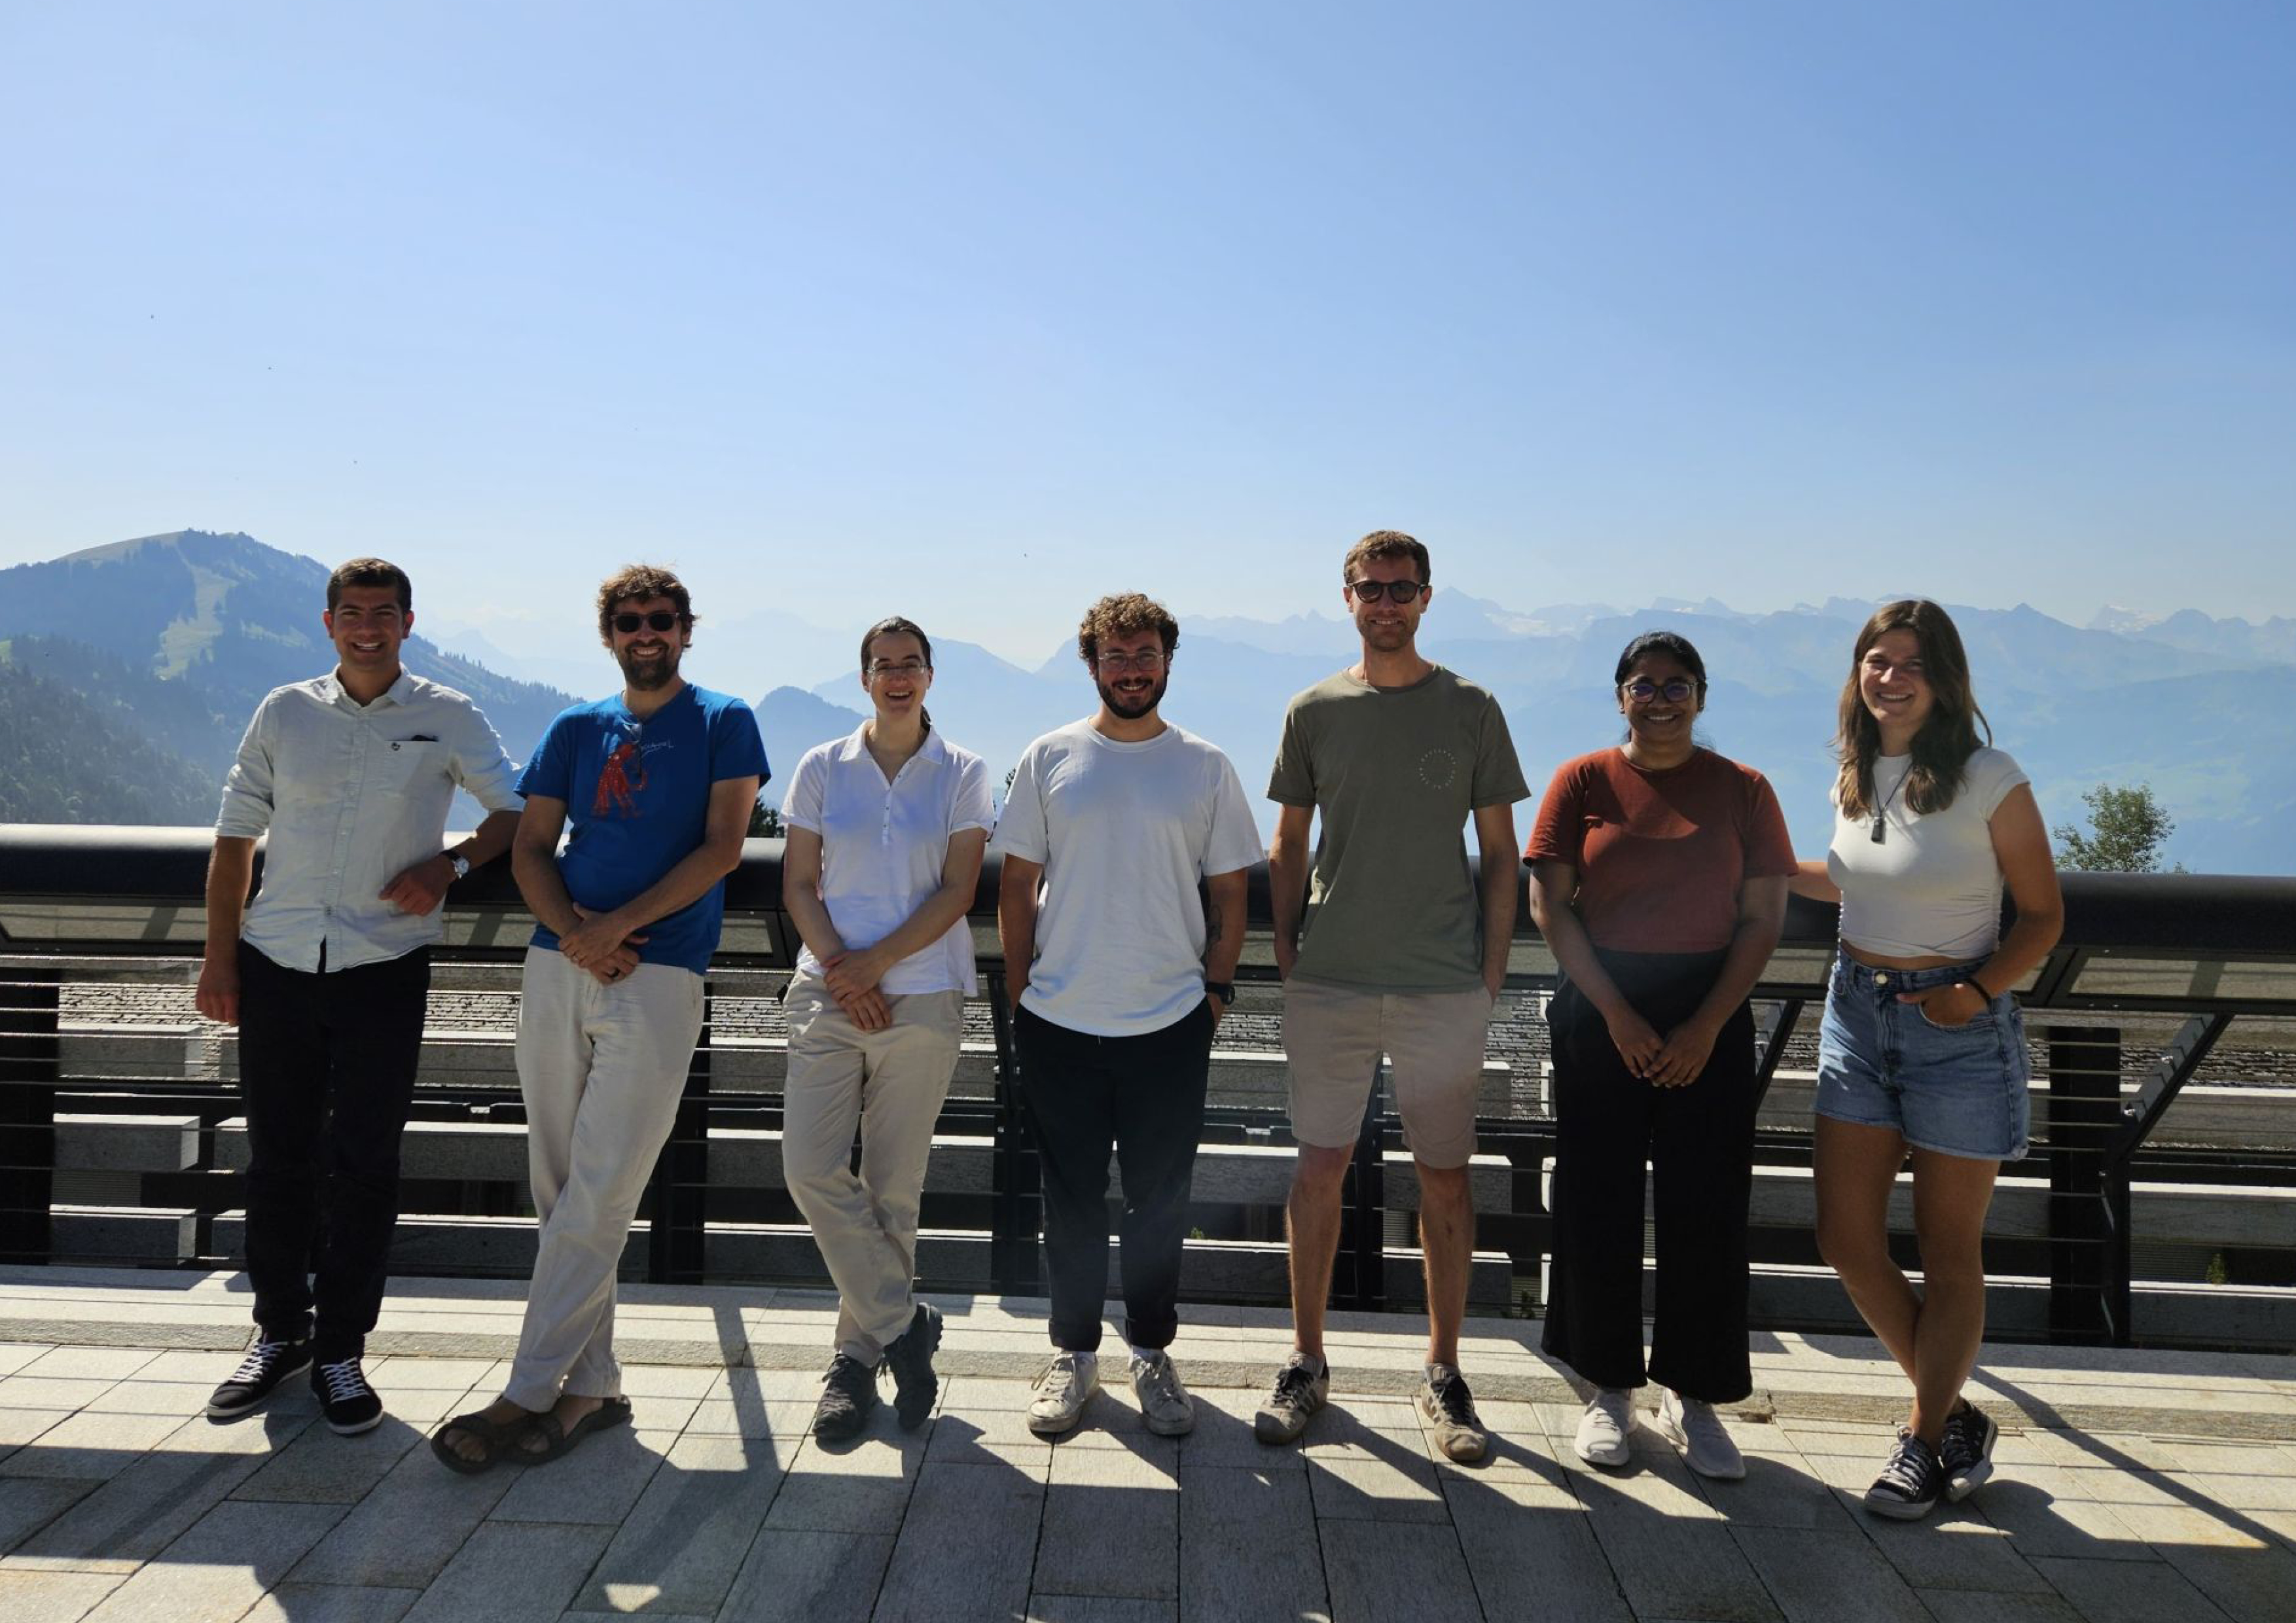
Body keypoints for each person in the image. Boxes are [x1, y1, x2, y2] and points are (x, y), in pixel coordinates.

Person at [433, 564, 766, 1471]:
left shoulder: (725, 719)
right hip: (559, 964)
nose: (645, 632)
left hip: (659, 971)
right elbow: (532, 847)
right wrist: (580, 935)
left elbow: (723, 848)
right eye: (628, 620)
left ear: (686, 629)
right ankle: (593, 1389)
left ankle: (525, 1390)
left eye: (661, 619)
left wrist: (615, 929)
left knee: (603, 1188)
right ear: (608, 632)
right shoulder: (575, 727)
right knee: (559, 1187)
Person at [198, 558, 523, 1435]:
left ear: (408, 623)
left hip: (385, 964)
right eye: (352, 612)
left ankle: (342, 1350)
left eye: (384, 613)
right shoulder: (284, 710)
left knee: (367, 1163)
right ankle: (279, 1333)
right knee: (277, 1160)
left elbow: (516, 814)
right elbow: (234, 838)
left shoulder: (448, 713)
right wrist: (219, 959)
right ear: (329, 622)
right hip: (274, 959)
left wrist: (450, 865)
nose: (368, 627)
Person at [1255, 530, 1528, 1465]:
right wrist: (1288, 953)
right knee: (1318, 1168)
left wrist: (1490, 972)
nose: (1385, 603)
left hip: (1442, 983)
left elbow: (1502, 854)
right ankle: (1306, 1361)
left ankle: (1445, 1370)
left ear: (1426, 598)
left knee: (1445, 1176)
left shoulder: (1472, 708)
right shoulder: (1313, 710)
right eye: (1370, 588)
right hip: (1331, 978)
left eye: (1401, 589)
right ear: (1347, 598)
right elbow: (1288, 843)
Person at [1789, 599, 2062, 1520]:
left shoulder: (1989, 777)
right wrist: (1749, 867)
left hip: (1956, 1026)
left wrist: (1973, 993)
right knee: (1845, 1238)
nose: (1891, 678)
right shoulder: (1854, 772)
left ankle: (1919, 1437)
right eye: (1878, 660)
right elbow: (1854, 878)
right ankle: (1955, 1419)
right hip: (1855, 1017)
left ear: (1944, 679)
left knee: (1949, 1252)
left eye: (1911, 663)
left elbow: (2043, 916)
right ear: (1857, 672)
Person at [1525, 631, 1794, 1480]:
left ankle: (1695, 1395)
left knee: (1706, 1206)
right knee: (1595, 1198)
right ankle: (1606, 1389)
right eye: (1644, 685)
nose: (1661, 699)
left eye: (1678, 685)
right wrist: (1616, 1012)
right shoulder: (1581, 780)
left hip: (1710, 1007)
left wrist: (1707, 1024)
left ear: (1701, 697)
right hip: (1600, 1003)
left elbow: (1763, 917)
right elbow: (1549, 905)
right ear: (1620, 697)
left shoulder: (1745, 789)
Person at [992, 593, 1262, 1438]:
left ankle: (1151, 1351)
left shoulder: (1204, 765)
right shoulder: (1050, 755)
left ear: (1167, 660)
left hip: (1170, 1020)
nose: (1132, 669)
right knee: (1068, 1198)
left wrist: (1215, 992)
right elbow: (1015, 883)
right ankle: (1073, 1354)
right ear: (1092, 664)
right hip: (1060, 1018)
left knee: (1159, 1200)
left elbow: (1231, 891)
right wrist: (1022, 991)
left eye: (1145, 654)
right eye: (1116, 656)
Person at [780, 616, 994, 1438]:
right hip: (828, 990)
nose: (897, 676)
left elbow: (958, 890)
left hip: (924, 993)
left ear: (930, 675)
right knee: (809, 1168)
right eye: (882, 665)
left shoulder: (964, 771)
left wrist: (875, 965)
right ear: (864, 678)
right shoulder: (821, 765)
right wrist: (845, 968)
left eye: (910, 664)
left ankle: (853, 1362)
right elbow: (799, 884)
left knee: (891, 1190)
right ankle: (907, 1325)